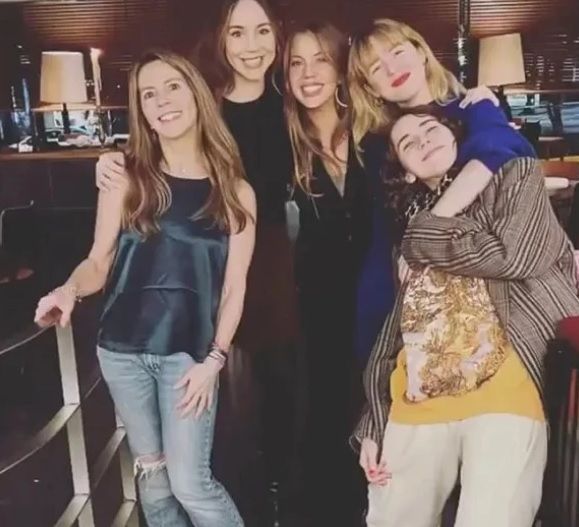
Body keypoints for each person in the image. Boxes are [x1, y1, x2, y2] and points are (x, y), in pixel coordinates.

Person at [34, 50, 255, 527]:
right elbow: (99, 261)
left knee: (191, 484)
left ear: (195, 94)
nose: (162, 101)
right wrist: (68, 290)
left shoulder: (235, 191)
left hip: (188, 357)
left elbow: (234, 287)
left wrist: (215, 360)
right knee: (154, 483)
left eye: (173, 87)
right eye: (148, 94)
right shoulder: (125, 177)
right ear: (142, 111)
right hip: (121, 351)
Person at [95, 2, 299, 517]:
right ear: (222, 41)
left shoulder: (294, 102)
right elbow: (156, 148)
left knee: (262, 417)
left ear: (277, 37)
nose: (251, 45)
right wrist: (114, 159)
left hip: (268, 278)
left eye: (261, 31)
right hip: (191, 291)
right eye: (237, 32)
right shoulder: (197, 105)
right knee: (186, 454)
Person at [355, 107, 579, 527]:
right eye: (408, 143)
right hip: (418, 397)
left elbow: (513, 256)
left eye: (430, 128)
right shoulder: (406, 236)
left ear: (456, 136)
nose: (423, 140)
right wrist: (374, 422)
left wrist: (423, 235)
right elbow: (397, 333)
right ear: (405, 172)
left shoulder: (515, 176)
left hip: (505, 388)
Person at [283, 21, 374, 524]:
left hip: (382, 295)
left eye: (320, 59)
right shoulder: (284, 142)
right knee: (325, 414)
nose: (308, 73)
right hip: (317, 303)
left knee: (381, 409)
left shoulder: (373, 129)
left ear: (341, 69)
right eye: (296, 63)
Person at [348, 18, 536, 224]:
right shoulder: (377, 145)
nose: (391, 69)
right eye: (376, 68)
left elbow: (514, 162)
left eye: (397, 53)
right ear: (371, 89)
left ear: (421, 53)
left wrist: (430, 228)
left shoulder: (474, 106)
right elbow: (383, 224)